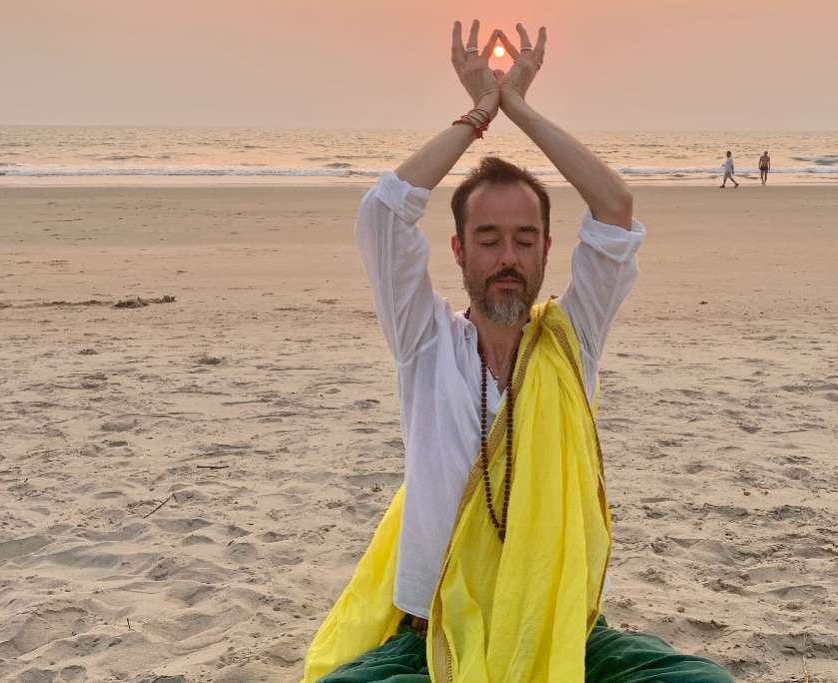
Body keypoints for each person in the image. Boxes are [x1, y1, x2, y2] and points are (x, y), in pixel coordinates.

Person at [302, 19, 733, 683]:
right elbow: (382, 215)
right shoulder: (425, 341)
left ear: (546, 251)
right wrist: (480, 113)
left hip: (558, 626)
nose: (508, 257)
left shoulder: (570, 337)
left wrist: (520, 108)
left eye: (526, 238)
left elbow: (615, 206)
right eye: (490, 238)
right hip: (435, 633)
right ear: (459, 251)